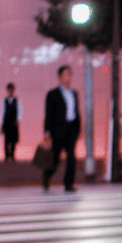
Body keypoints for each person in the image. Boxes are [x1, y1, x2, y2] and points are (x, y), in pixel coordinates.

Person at [42, 65, 80, 193]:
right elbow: (48, 114)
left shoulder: (74, 93)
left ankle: (68, 183)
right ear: (59, 77)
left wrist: (78, 129)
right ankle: (47, 176)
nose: (68, 77)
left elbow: (75, 112)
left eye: (70, 74)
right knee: (55, 158)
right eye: (65, 74)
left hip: (71, 130)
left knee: (71, 158)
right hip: (57, 131)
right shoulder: (52, 94)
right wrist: (47, 133)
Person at [1, 83, 21, 162]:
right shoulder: (4, 100)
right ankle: (6, 155)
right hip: (6, 122)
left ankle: (12, 155)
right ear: (7, 90)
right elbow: (2, 112)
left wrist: (17, 120)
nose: (10, 91)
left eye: (12, 89)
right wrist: (2, 123)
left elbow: (19, 111)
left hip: (14, 122)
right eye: (9, 89)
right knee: (6, 139)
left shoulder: (17, 100)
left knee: (13, 139)